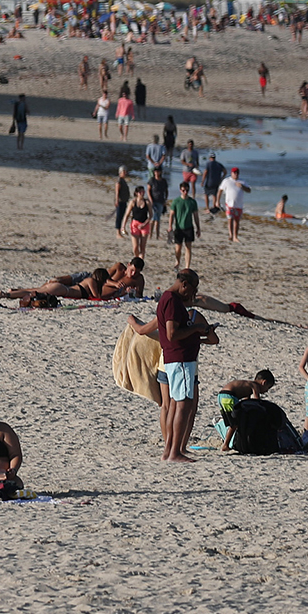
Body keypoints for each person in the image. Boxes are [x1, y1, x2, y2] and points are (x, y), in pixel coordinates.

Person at [130, 270, 217, 462]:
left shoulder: (168, 299)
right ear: (184, 284)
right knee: (183, 404)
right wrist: (196, 328)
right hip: (180, 358)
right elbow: (171, 334)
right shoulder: (171, 300)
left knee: (175, 405)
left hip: (175, 358)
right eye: (192, 290)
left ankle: (169, 450)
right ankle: (175, 452)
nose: (192, 295)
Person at [168, 179, 200, 271]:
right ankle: (177, 261)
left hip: (189, 227)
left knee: (188, 247)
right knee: (178, 248)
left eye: (186, 190)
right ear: (180, 190)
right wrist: (170, 226)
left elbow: (196, 216)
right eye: (183, 190)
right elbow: (171, 215)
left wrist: (198, 228)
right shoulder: (176, 201)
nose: (185, 192)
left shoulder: (192, 202)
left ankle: (187, 267)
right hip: (178, 228)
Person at [217, 167, 250, 242]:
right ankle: (231, 235)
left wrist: (242, 186)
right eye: (234, 173)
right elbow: (220, 190)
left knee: (237, 221)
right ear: (231, 173)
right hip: (229, 204)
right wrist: (217, 201)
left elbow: (249, 190)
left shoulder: (242, 181)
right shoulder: (227, 181)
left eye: (237, 173)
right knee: (230, 219)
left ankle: (235, 236)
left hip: (239, 205)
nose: (236, 174)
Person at [125, 186, 153, 260]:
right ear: (136, 193)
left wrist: (144, 224)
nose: (142, 193)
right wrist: (123, 226)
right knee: (135, 247)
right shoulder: (133, 202)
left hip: (145, 224)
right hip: (135, 224)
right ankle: (136, 258)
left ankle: (141, 261)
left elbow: (151, 215)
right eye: (140, 192)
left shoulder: (147, 202)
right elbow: (127, 215)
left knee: (142, 246)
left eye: (143, 192)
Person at [112, 166, 132, 236]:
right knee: (119, 216)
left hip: (124, 201)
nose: (125, 173)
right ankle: (118, 233)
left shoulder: (123, 180)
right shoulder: (119, 180)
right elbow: (117, 191)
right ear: (120, 172)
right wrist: (117, 200)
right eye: (124, 172)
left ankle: (121, 230)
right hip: (120, 201)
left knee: (122, 216)